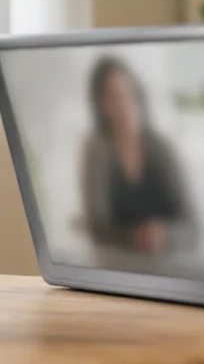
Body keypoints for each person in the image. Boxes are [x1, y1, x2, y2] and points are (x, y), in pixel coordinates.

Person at [81, 56, 192, 257]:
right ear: (101, 105)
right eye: (114, 97)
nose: (123, 105)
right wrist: (135, 237)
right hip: (117, 263)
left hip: (169, 261)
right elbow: (97, 227)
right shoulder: (96, 152)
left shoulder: (161, 148)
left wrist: (165, 235)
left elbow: (191, 225)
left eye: (128, 94)